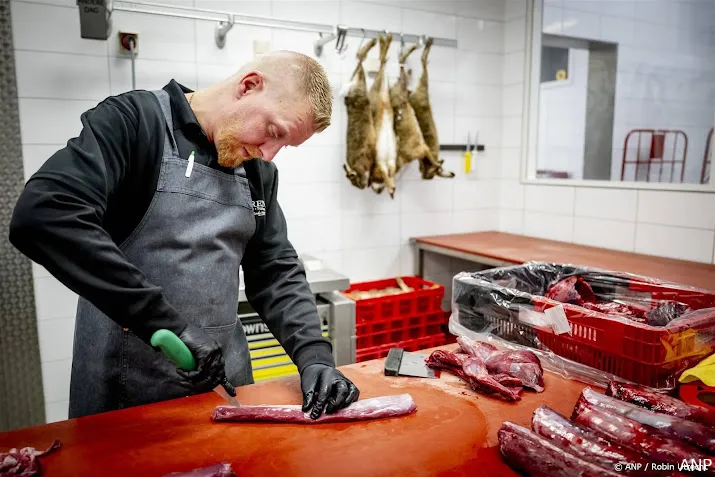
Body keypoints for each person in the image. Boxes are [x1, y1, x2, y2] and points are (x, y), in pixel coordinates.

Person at [9, 50, 359, 420]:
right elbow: (46, 213)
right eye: (273, 132)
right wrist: (165, 323)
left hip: (225, 388)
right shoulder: (135, 124)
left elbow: (274, 269)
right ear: (248, 86)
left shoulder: (257, 170)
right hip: (126, 395)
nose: (270, 154)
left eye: (283, 145)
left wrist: (314, 357)